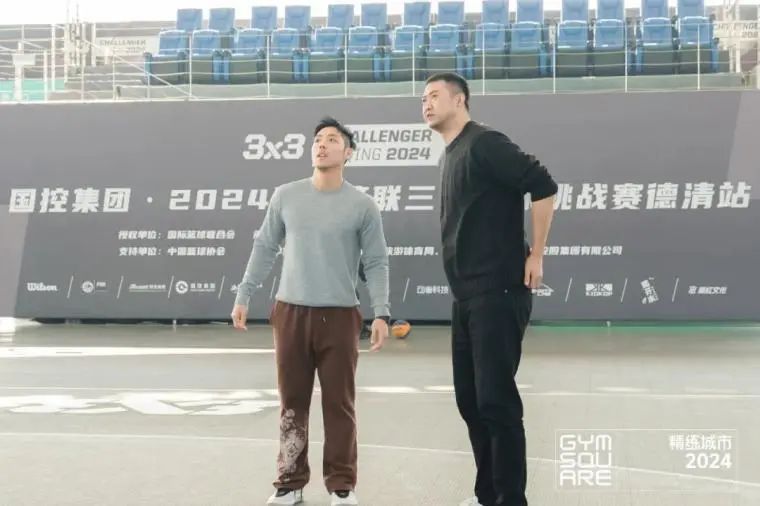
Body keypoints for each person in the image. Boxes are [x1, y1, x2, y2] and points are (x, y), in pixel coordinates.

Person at [230, 117, 391, 506]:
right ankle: (290, 482)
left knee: (339, 404)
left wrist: (382, 312)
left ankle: (341, 486)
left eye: (332, 140)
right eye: (318, 139)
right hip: (291, 314)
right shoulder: (286, 196)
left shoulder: (363, 205)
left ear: (348, 153)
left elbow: (376, 262)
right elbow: (265, 247)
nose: (322, 145)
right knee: (292, 402)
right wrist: (244, 293)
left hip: (340, 316)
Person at [422, 72, 558, 506]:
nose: (426, 104)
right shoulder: (451, 155)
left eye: (435, 96)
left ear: (460, 100)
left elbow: (543, 184)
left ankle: (510, 499)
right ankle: (489, 495)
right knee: (471, 402)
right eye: (423, 99)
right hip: (466, 298)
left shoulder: (484, 143)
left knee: (496, 402)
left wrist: (536, 254)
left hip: (498, 291)